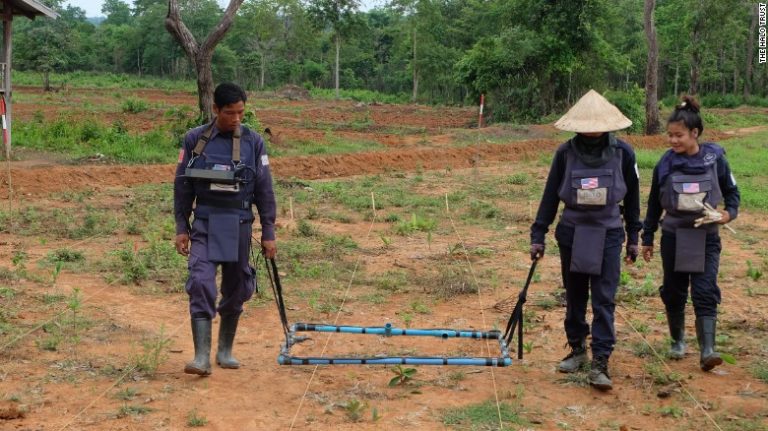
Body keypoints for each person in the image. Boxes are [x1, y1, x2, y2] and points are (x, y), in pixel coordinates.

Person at [530, 89, 641, 391]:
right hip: (572, 233)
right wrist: (538, 234)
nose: (592, 130)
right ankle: (577, 349)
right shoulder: (565, 154)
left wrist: (634, 236)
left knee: (604, 298)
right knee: (575, 294)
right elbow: (550, 195)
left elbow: (632, 198)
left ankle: (601, 361)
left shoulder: (623, 154)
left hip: (608, 233)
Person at [174, 82, 277, 376]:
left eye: (241, 113)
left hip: (240, 225)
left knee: (237, 287)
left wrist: (268, 231)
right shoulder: (194, 139)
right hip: (205, 223)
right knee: (201, 281)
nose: (236, 119)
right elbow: (182, 188)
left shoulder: (254, 142)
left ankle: (225, 350)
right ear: (215, 109)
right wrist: (182, 227)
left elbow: (264, 190)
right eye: (230, 113)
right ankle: (201, 357)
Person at [641, 96, 739, 371]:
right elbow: (653, 203)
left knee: (705, 290)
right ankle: (677, 340)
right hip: (673, 236)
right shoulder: (665, 163)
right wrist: (647, 237)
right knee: (674, 291)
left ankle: (708, 350)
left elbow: (732, 195)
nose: (673, 141)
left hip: (705, 237)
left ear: (695, 133)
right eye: (669, 135)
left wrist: (727, 215)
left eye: (679, 135)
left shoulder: (715, 160)